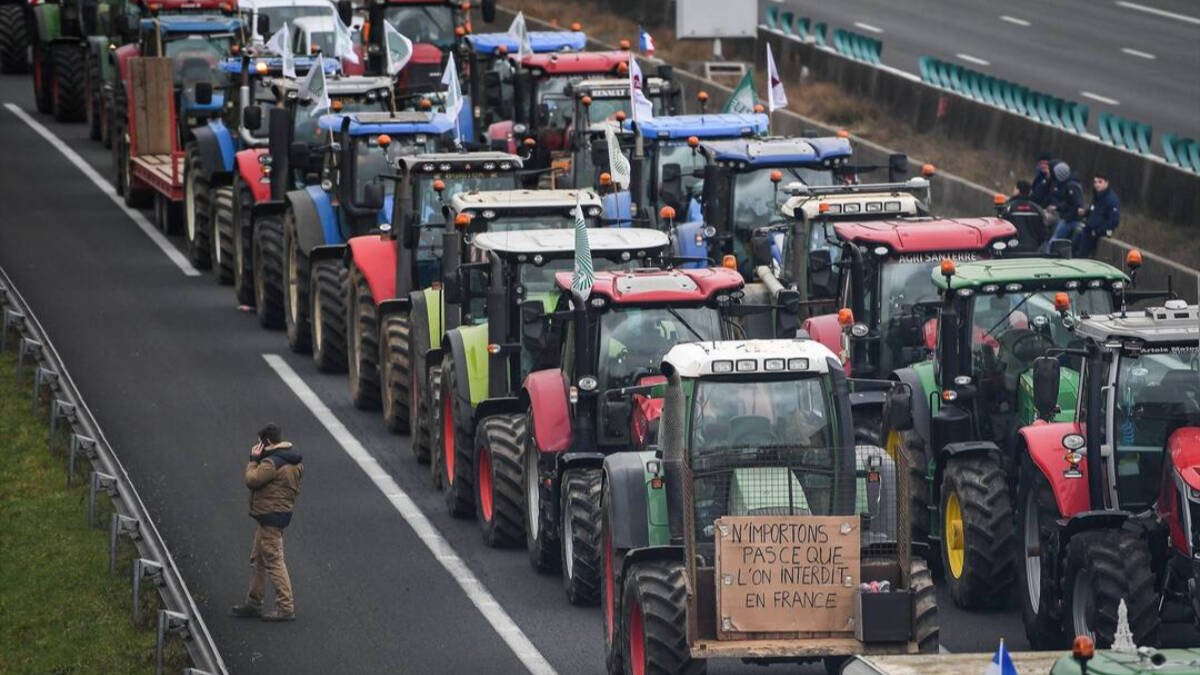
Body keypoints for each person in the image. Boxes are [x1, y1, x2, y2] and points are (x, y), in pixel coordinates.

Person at [232, 424, 303, 622]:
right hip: (276, 514)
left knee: (273, 560)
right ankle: (254, 602)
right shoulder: (293, 459)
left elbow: (252, 480)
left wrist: (254, 460)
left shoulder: (272, 463)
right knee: (258, 558)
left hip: (270, 516)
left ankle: (285, 606)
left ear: (267, 442)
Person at [1073, 174, 1120, 257]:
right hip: (1087, 229)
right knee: (1073, 246)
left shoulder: (1111, 199)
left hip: (1095, 233)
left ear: (1106, 183)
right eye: (1095, 182)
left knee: (1081, 255)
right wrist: (1086, 212)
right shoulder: (1097, 195)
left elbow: (1114, 221)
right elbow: (1094, 210)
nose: (1097, 184)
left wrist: (1098, 231)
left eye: (1100, 182)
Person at [1043, 162, 1084, 253]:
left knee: (1053, 241)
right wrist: (1057, 207)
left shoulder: (1071, 186)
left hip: (1070, 220)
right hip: (1070, 218)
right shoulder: (1071, 184)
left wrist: (1066, 216)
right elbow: (1069, 202)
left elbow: (1076, 204)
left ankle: (1047, 257)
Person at [1001, 180, 1049, 251]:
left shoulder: (1008, 208)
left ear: (1017, 190)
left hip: (1012, 250)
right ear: (1029, 192)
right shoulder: (1037, 209)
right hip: (1033, 250)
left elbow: (1001, 229)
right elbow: (1044, 232)